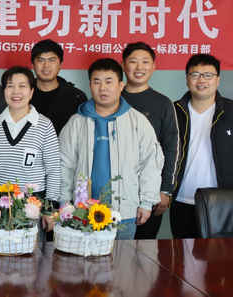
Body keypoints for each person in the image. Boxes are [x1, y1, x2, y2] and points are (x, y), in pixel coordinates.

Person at [59, 58, 162, 240]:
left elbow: (151, 164)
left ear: (121, 85)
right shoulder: (76, 122)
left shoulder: (137, 121)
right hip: (82, 211)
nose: (103, 88)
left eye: (109, 82)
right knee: (84, 257)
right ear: (90, 85)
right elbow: (64, 164)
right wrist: (64, 201)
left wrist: (147, 202)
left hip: (124, 211)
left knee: (122, 257)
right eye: (97, 82)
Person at [121, 42, 179, 240]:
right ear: (123, 65)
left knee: (144, 250)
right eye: (133, 61)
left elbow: (171, 148)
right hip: (115, 191)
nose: (139, 67)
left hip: (150, 191)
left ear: (154, 66)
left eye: (145, 62)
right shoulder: (111, 98)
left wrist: (165, 190)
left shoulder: (163, 103)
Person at [171, 54, 233, 239]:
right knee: (183, 254)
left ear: (218, 80)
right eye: (195, 74)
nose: (202, 80)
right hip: (181, 199)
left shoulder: (231, 111)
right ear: (187, 79)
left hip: (223, 202)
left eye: (208, 75)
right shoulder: (173, 111)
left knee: (221, 255)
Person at [0, 66, 60, 205]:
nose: (16, 92)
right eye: (10, 86)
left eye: (22, 86)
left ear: (31, 91)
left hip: (33, 203)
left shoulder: (44, 125)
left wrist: (50, 205)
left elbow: (54, 169)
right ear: (4, 91)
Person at [30, 39, 87, 134]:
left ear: (60, 64)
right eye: (41, 60)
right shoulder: (23, 94)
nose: (46, 66)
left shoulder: (76, 97)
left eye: (52, 60)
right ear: (33, 64)